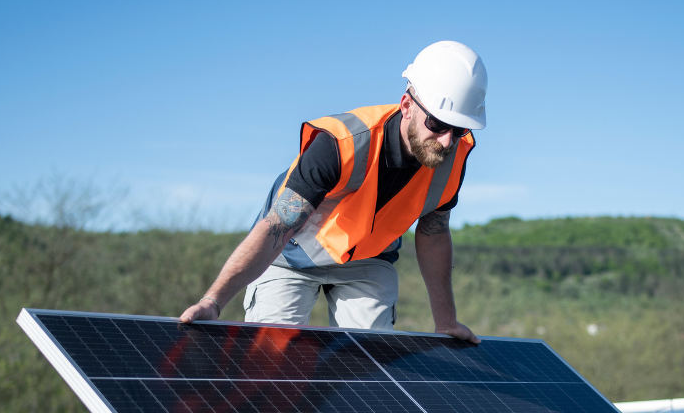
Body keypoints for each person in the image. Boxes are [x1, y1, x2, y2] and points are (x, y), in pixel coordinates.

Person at [180, 41, 487, 343]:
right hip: (290, 255)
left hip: (369, 259)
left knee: (370, 366)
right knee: (269, 361)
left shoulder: (452, 159)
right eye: (436, 123)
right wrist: (214, 300)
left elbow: (434, 235)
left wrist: (446, 320)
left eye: (459, 129)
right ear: (407, 106)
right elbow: (278, 226)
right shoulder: (340, 145)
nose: (447, 141)